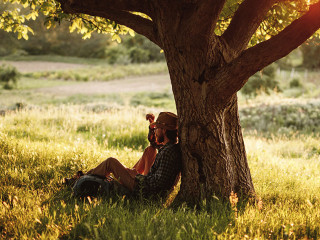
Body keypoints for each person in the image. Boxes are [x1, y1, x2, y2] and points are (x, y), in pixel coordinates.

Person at [78, 112, 182, 199]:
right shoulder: (169, 148)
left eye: (157, 128)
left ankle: (79, 181)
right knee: (149, 150)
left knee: (111, 162)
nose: (155, 131)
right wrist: (151, 126)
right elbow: (154, 144)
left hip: (145, 192)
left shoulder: (168, 153)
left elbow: (158, 183)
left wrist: (137, 176)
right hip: (146, 187)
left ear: (164, 130)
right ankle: (82, 178)